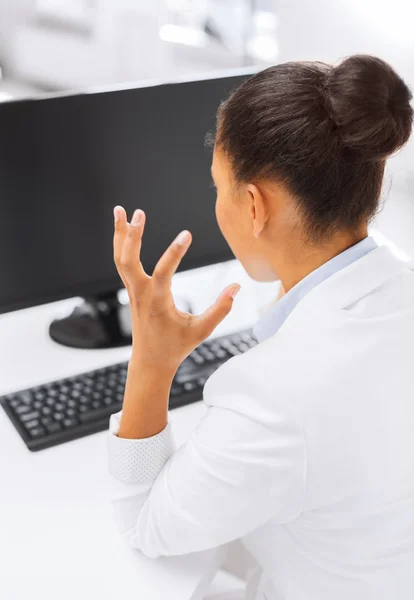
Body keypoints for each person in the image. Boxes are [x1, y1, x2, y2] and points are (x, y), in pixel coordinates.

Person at [107, 55, 414, 599]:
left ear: (253, 205)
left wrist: (151, 360)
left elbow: (146, 526)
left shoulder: (275, 394)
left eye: (217, 186)